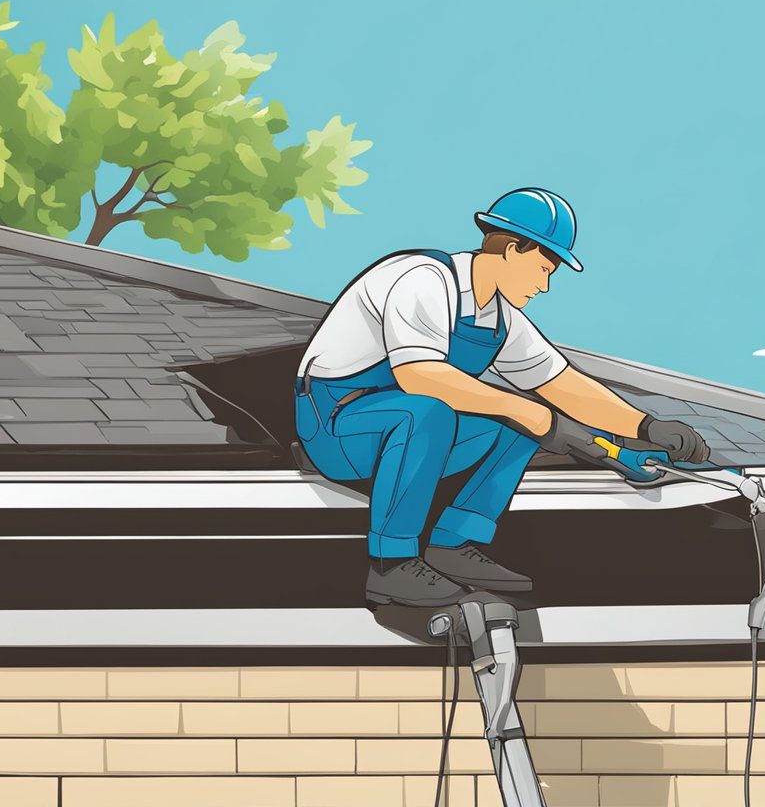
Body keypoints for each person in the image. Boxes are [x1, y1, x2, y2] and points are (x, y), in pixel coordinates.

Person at [294, 187, 709, 607]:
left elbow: (564, 384)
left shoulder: (499, 318)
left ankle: (452, 544)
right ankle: (391, 565)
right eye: (544, 268)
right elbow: (420, 376)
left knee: (516, 426)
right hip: (335, 429)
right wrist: (527, 411)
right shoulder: (423, 280)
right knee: (432, 412)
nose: (545, 286)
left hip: (402, 437)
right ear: (512, 248)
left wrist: (646, 427)